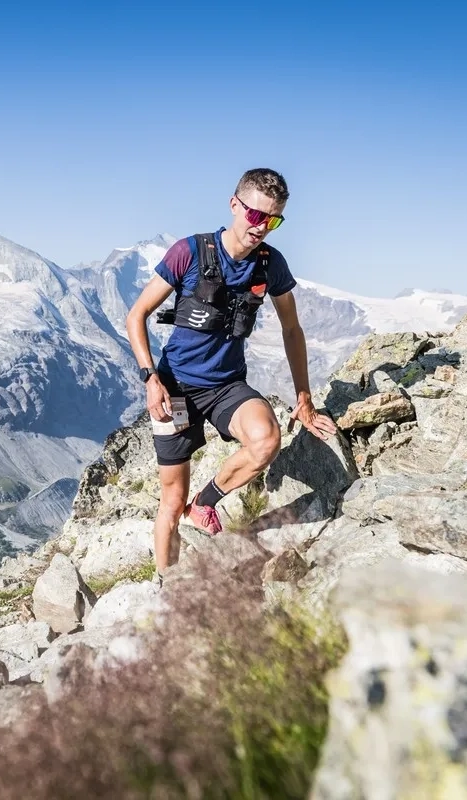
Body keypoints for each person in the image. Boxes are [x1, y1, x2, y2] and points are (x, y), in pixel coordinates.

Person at [125, 168, 338, 573]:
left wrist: (304, 398)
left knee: (266, 440)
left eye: (273, 220)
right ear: (234, 205)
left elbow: (292, 329)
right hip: (176, 389)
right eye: (256, 216)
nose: (262, 228)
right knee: (170, 500)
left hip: (226, 386)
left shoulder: (269, 264)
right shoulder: (190, 251)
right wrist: (150, 378)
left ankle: (205, 502)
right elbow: (136, 315)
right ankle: (166, 588)